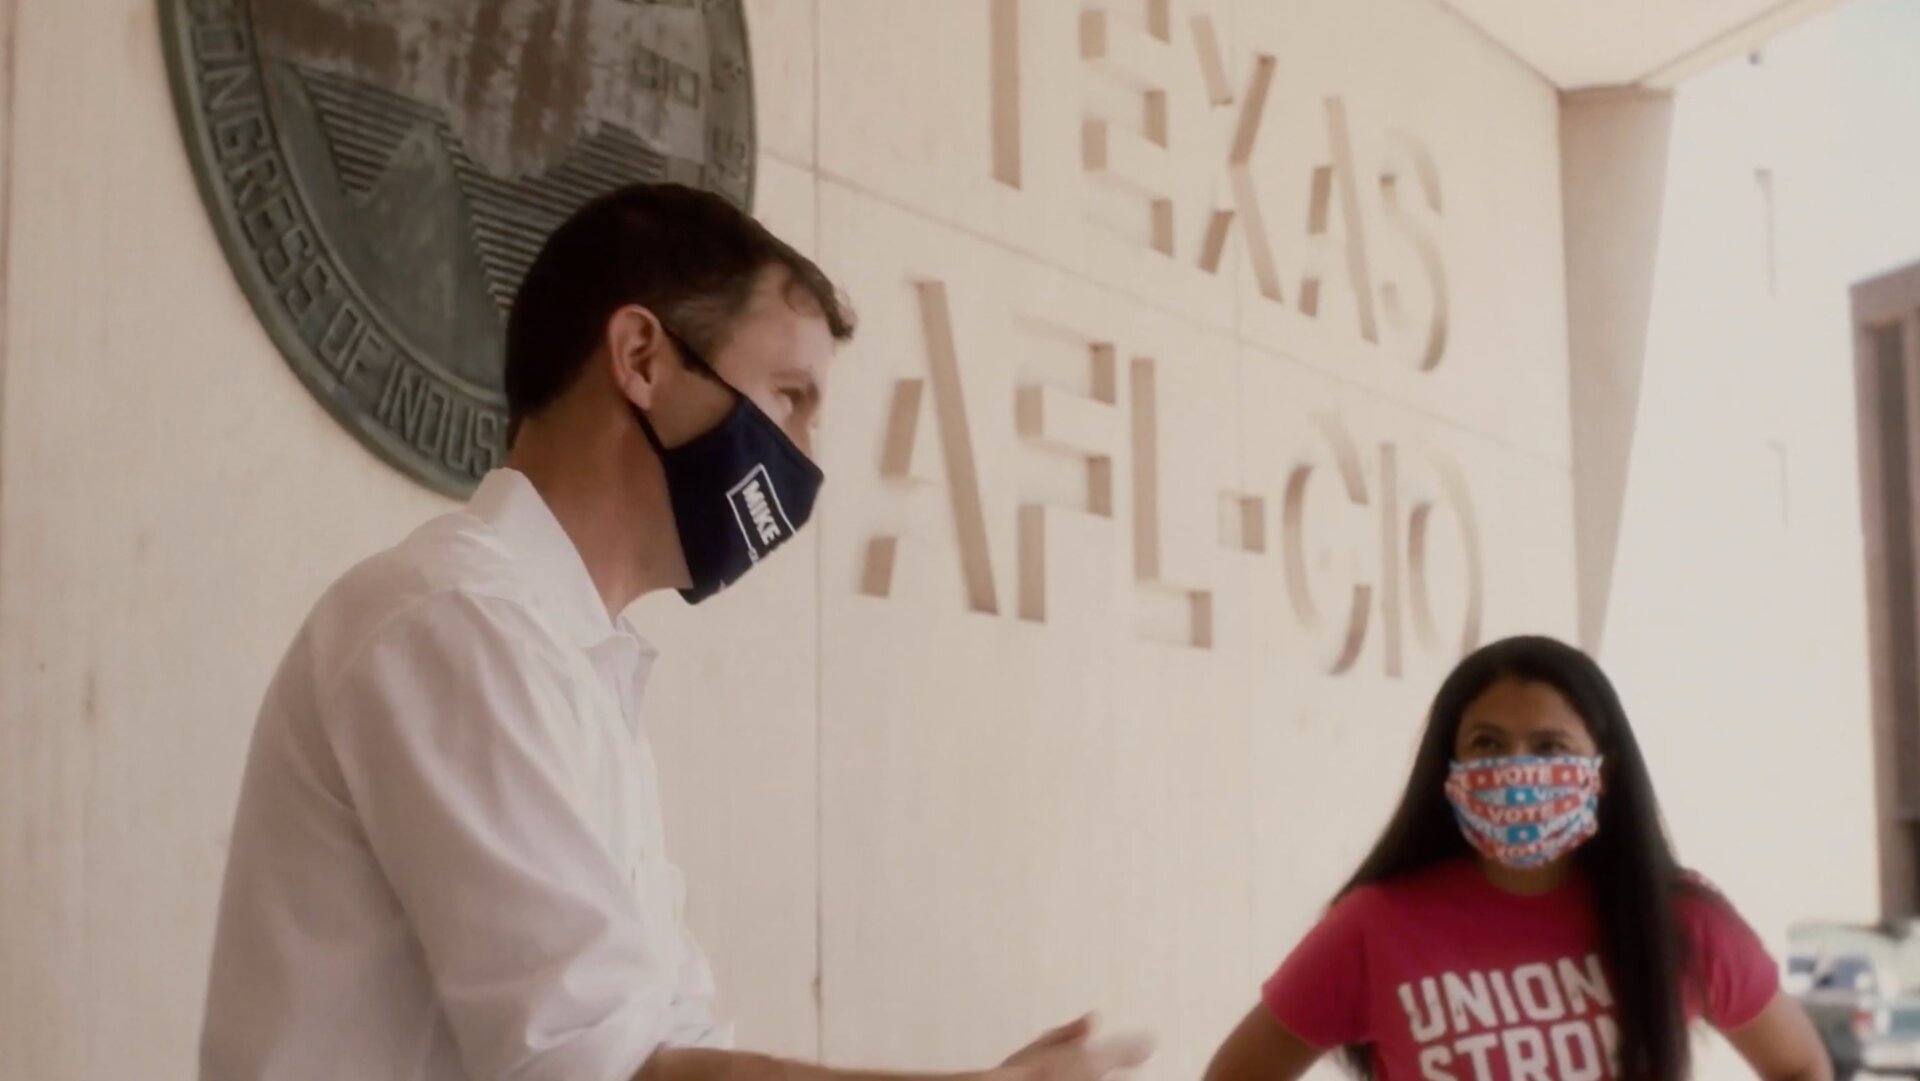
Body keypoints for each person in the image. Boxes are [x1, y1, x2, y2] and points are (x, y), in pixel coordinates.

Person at [200, 183, 1152, 1081]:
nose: (804, 460)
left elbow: (673, 1039)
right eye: (789, 397)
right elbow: (606, 1067)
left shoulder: (568, 660)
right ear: (643, 359)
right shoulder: (459, 625)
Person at [1203, 636, 1828, 1081]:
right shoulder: (1376, 925)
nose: (1516, 768)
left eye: (1549, 744)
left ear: (1601, 771)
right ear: (1448, 766)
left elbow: (1799, 1065)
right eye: (1487, 743)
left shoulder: (1679, 921)